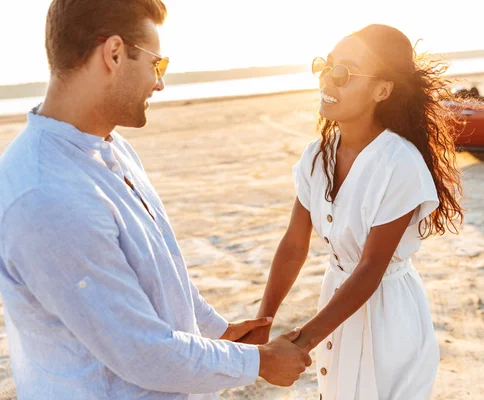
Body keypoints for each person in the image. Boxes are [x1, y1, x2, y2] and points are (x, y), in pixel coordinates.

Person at [0, 1, 310, 399]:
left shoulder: (112, 147)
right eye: (157, 65)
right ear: (113, 53)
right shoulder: (45, 196)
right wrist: (261, 363)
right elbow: (142, 353)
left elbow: (161, 266)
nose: (160, 83)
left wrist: (218, 331)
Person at [240, 24, 465, 399]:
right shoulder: (317, 155)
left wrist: (301, 342)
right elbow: (295, 243)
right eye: (326, 66)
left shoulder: (400, 163)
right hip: (337, 304)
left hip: (388, 313)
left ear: (382, 90)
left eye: (344, 72)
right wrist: (264, 320)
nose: (328, 79)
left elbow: (371, 267)